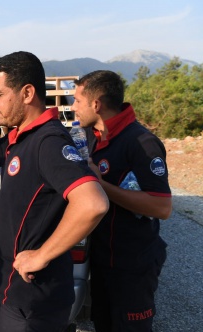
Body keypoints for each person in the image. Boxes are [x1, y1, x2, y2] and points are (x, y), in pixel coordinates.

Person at [0, 51, 110, 331]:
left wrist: (42, 255)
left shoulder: (48, 142)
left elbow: (93, 203)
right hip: (12, 290)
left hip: (32, 300)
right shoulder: (19, 135)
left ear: (27, 93)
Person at [71, 70, 172, 332]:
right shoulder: (93, 134)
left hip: (133, 265)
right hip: (104, 260)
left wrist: (101, 185)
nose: (73, 108)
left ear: (96, 104)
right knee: (104, 324)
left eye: (77, 101)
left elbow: (161, 207)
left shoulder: (141, 143)